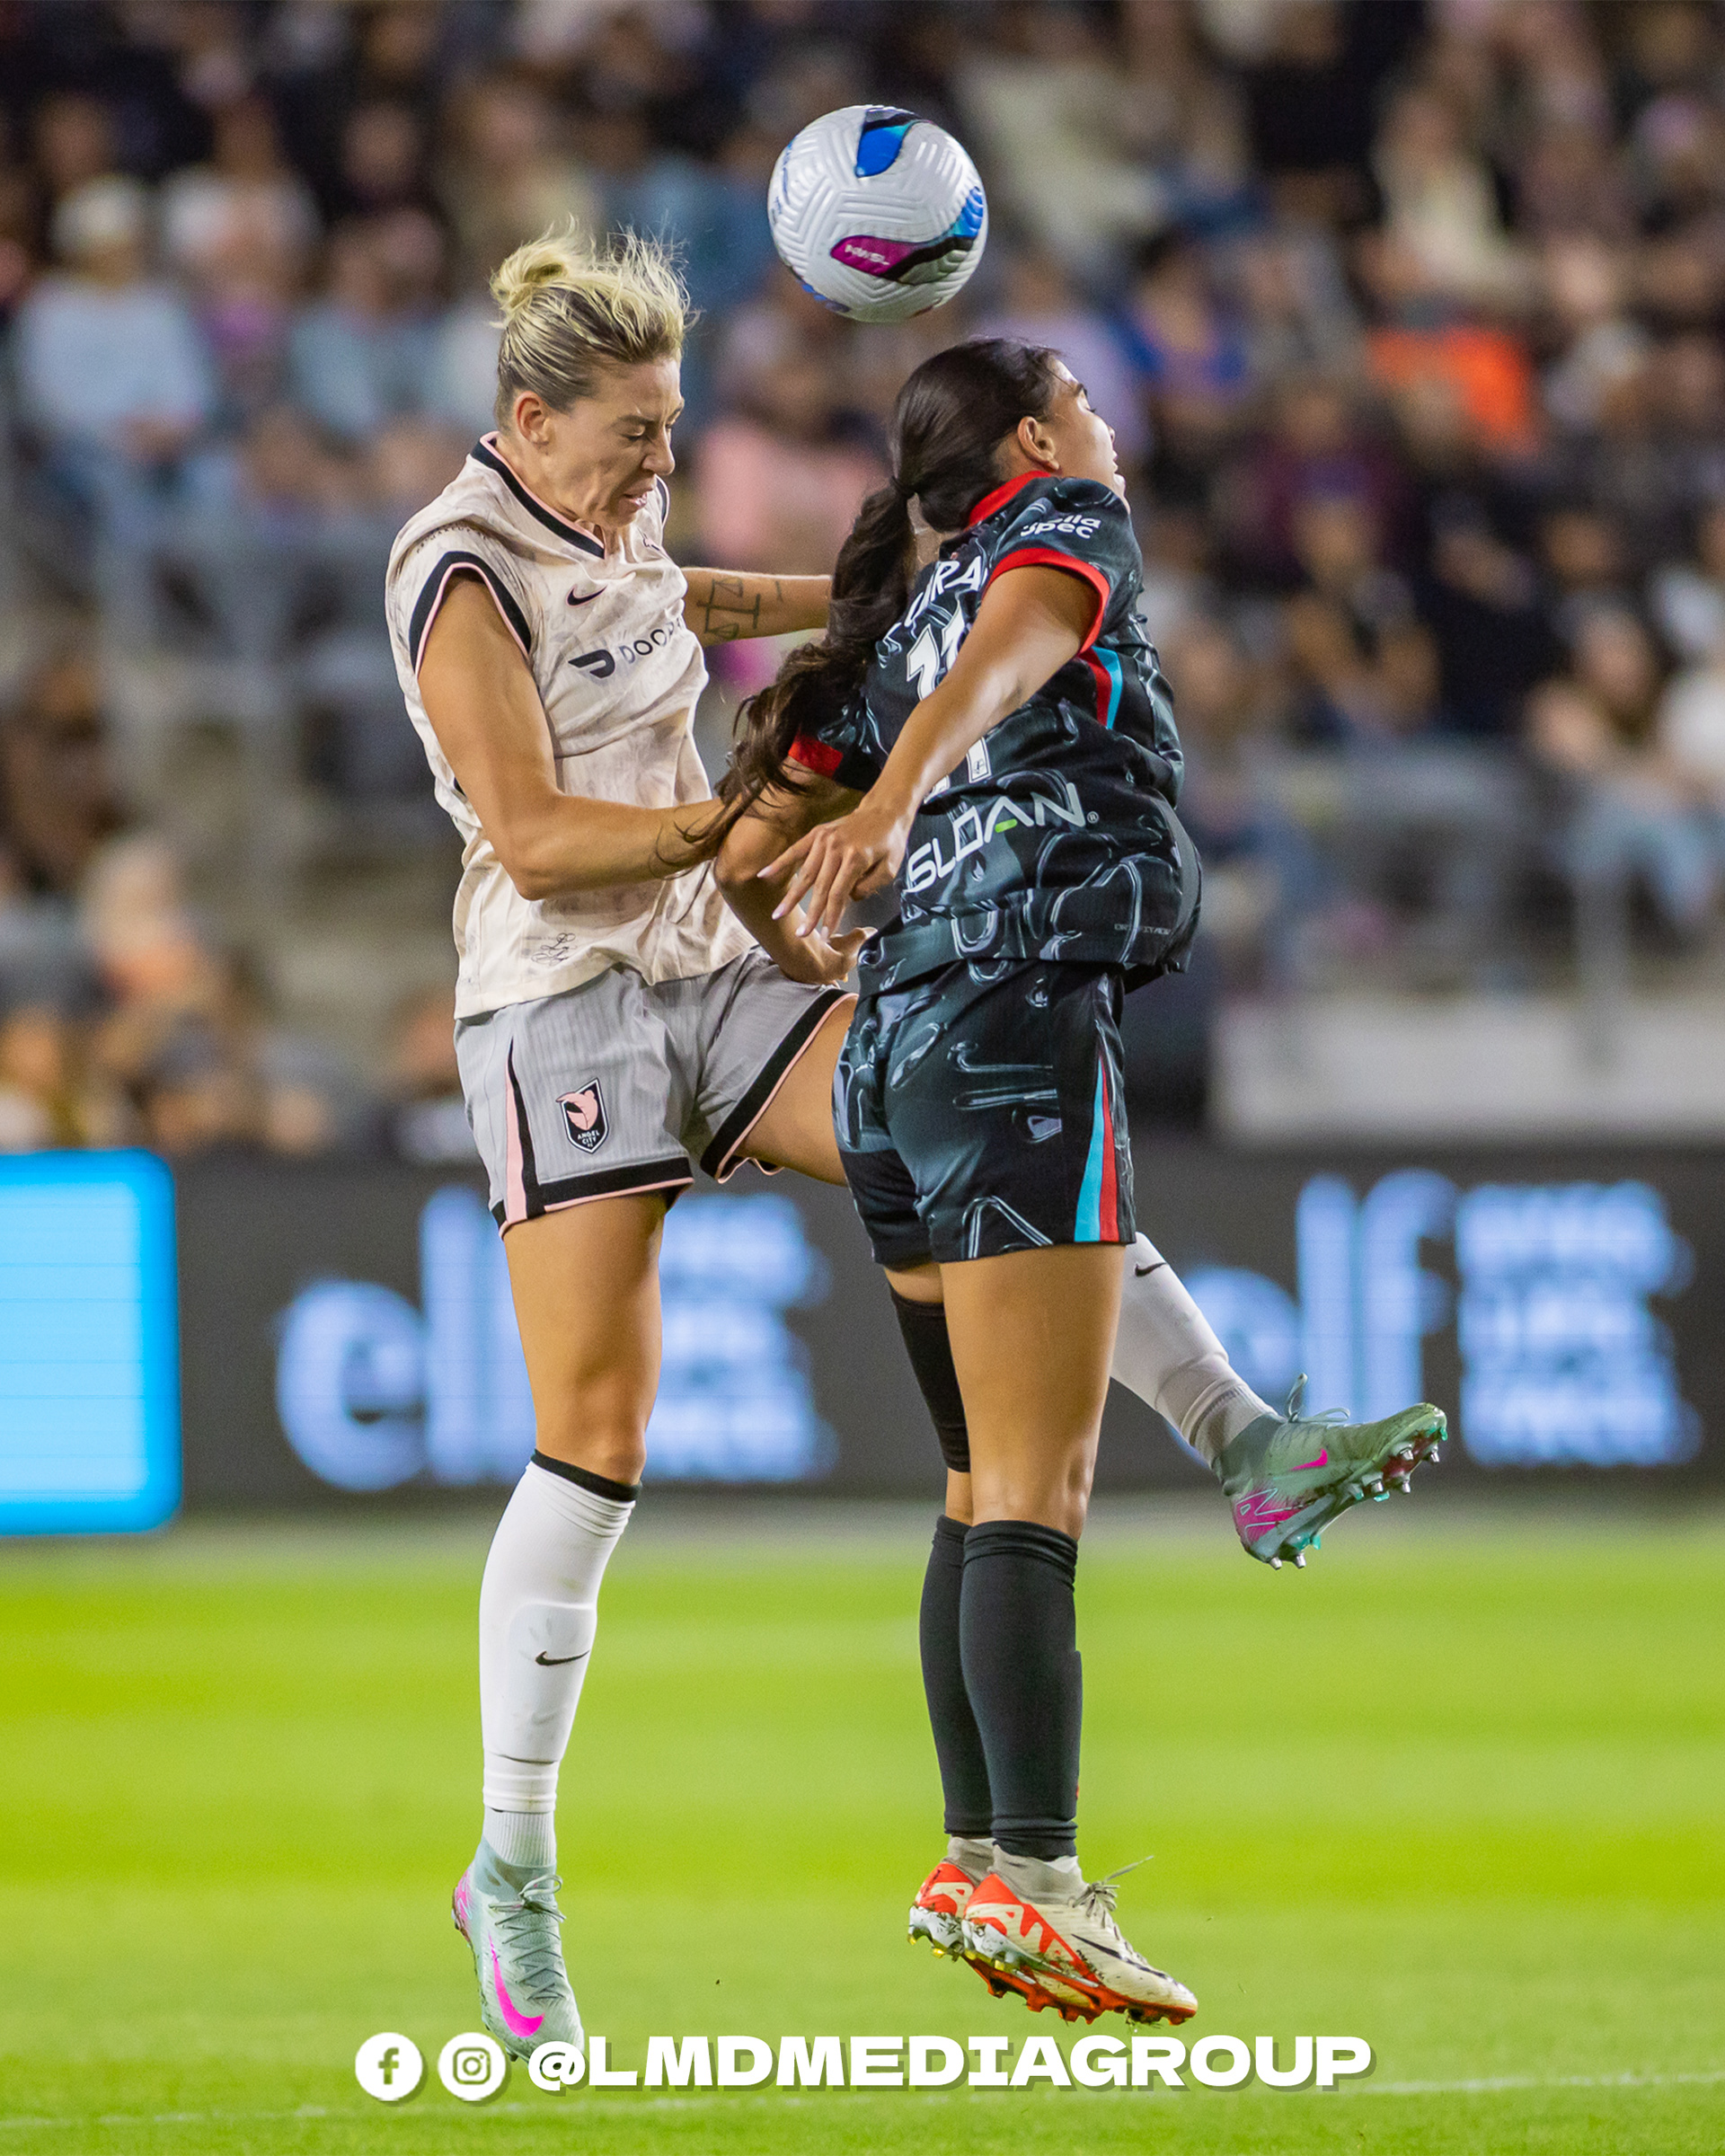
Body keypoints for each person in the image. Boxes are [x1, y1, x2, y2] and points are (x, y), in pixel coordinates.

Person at [385, 233, 1435, 2063]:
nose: (657, 465)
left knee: (972, 1156)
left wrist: (878, 603)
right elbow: (540, 841)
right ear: (531, 422)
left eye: (670, 431)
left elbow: (676, 595)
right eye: (631, 437)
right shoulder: (452, 566)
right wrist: (744, 820)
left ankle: (1244, 1440)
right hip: (559, 999)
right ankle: (515, 1866)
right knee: (599, 1437)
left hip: (721, 973)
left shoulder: (612, 522)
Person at [714, 340, 1445, 2027]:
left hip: (897, 1051)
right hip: (1019, 1013)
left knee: (979, 1481)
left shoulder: (889, 628)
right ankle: (1039, 1884)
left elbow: (748, 851)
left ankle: (977, 1860)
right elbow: (1029, 635)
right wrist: (901, 799)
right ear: (1035, 441)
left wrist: (813, 932)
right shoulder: (1059, 530)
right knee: (1038, 1485)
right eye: (1085, 405)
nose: (1107, 427)